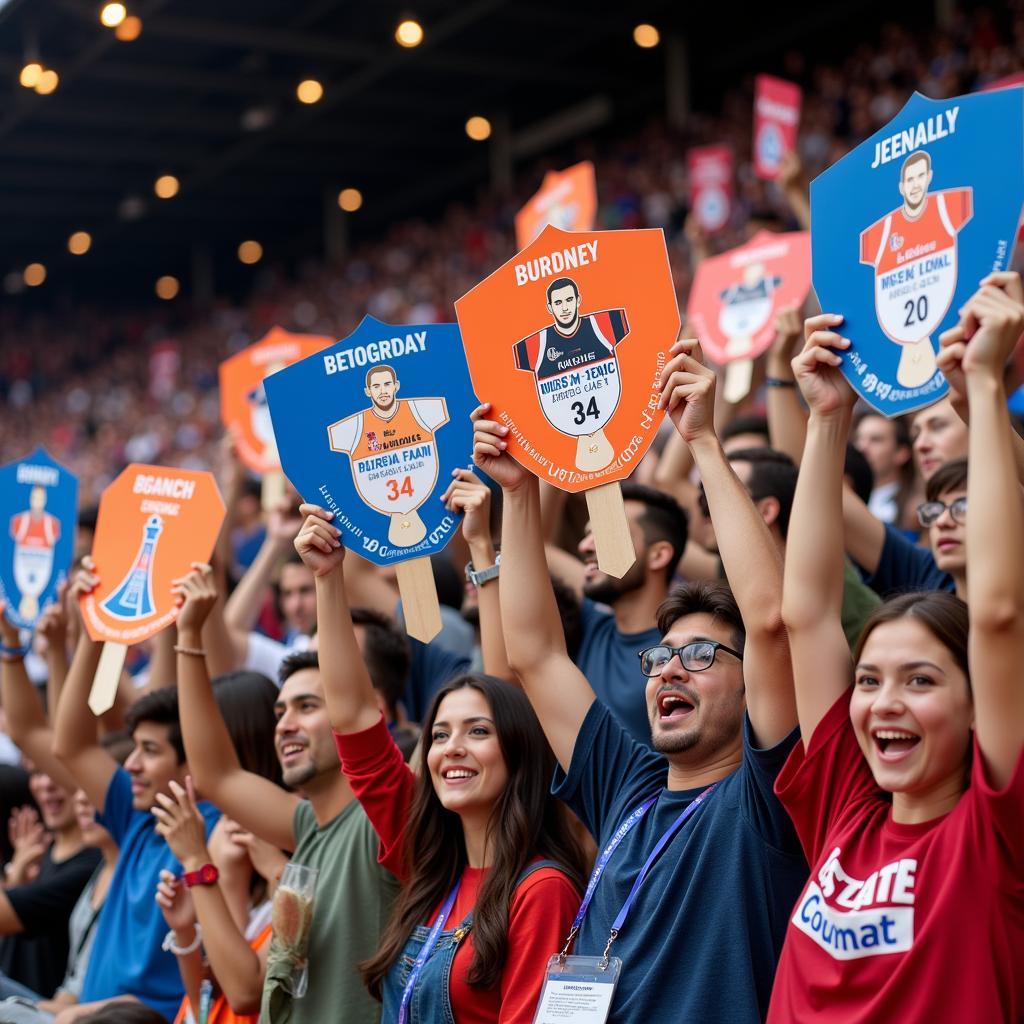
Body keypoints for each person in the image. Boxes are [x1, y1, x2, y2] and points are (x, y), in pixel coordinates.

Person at [471, 337, 806, 1023]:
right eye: (659, 658)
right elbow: (533, 654)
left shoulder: (767, 796)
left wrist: (704, 443)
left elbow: (771, 620)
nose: (671, 669)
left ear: (755, 693)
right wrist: (519, 490)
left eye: (704, 656)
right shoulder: (632, 787)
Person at [768, 275, 1024, 1021]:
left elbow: (1001, 613)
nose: (882, 702)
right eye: (870, 679)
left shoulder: (994, 832)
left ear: (981, 709)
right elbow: (808, 613)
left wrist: (982, 386)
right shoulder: (846, 804)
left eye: (919, 681)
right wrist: (825, 418)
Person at [293, 503, 586, 1020]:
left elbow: (505, 690)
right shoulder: (428, 863)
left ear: (518, 751)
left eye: (477, 733)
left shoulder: (542, 892)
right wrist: (327, 578)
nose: (452, 747)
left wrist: (483, 557)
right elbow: (356, 720)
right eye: (440, 734)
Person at [169, 566, 398, 1024]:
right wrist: (189, 636)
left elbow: (353, 711)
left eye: (307, 707)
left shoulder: (385, 816)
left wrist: (328, 576)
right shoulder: (305, 826)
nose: (284, 724)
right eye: (280, 711)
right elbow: (216, 775)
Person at [51, 562, 221, 1023]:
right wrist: (92, 631)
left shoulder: (220, 831)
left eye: (149, 751)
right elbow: (70, 743)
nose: (131, 765)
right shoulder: (138, 816)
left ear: (192, 763)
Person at [545, 481, 688, 745]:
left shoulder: (687, 654)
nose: (585, 546)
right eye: (588, 533)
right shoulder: (593, 624)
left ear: (658, 555)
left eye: (607, 532)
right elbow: (538, 542)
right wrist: (550, 457)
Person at [853, 410, 913, 524]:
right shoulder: (842, 498)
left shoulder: (912, 509)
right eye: (859, 438)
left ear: (901, 453)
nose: (862, 447)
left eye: (876, 440)